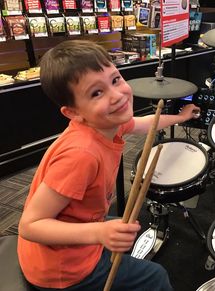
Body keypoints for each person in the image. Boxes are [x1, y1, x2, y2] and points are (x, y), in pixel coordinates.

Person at [17, 39, 200, 291]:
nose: (117, 96)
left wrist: (180, 117)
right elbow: (30, 225)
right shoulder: (81, 155)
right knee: (155, 277)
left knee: (124, 226)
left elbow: (146, 122)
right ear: (73, 112)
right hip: (60, 270)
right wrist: (99, 233)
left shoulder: (105, 122)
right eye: (96, 93)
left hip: (70, 237)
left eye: (115, 80)